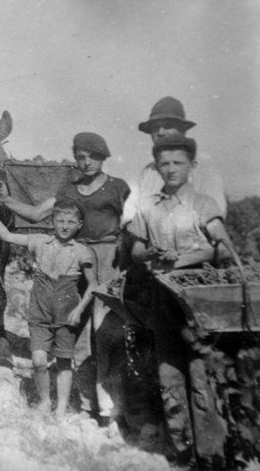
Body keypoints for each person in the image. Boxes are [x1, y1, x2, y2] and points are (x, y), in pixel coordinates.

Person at [0, 133, 130, 426]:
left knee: (107, 333)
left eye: (91, 156)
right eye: (80, 157)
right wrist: (4, 198)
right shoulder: (68, 189)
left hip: (108, 260)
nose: (85, 162)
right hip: (74, 261)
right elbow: (33, 214)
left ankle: (113, 408)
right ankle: (86, 405)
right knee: (77, 338)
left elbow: (133, 224)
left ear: (103, 157)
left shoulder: (118, 187)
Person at [128, 132, 231, 466]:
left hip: (197, 305)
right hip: (163, 301)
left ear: (192, 165)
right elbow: (136, 248)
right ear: (156, 166)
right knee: (169, 378)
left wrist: (181, 259)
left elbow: (221, 245)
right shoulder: (149, 207)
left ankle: (211, 457)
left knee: (201, 381)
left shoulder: (203, 204)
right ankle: (182, 454)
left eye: (178, 163)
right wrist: (149, 253)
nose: (170, 169)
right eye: (164, 163)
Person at [0, 197, 97, 418]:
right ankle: (44, 401)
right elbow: (6, 235)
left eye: (71, 222)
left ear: (80, 225)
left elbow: (93, 285)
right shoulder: (39, 242)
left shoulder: (83, 252)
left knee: (64, 361)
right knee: (38, 360)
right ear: (52, 221)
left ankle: (61, 407)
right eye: (60, 221)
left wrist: (79, 309)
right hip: (39, 310)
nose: (64, 226)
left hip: (66, 313)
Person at [123, 96, 226, 223]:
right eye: (155, 128)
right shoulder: (149, 171)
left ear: (182, 130)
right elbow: (135, 210)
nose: (160, 132)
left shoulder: (202, 164)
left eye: (168, 126)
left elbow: (217, 210)